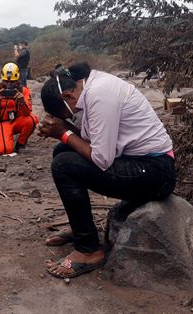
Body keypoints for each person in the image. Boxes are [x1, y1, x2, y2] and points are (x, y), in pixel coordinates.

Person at [38, 62, 177, 279]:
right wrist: (63, 134)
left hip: (155, 172)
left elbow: (101, 158)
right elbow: (91, 141)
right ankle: (82, 229)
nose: (70, 116)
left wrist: (63, 132)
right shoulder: (91, 85)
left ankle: (89, 250)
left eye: (66, 113)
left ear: (67, 96)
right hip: (139, 163)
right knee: (62, 151)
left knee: (63, 164)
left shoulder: (100, 95)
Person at [0, 62, 38, 155]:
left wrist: (22, 102)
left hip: (15, 121)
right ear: (2, 79)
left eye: (12, 82)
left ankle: (20, 144)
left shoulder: (24, 91)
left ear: (17, 80)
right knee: (3, 150)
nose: (9, 85)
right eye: (6, 81)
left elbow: (27, 113)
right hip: (1, 122)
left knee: (32, 119)